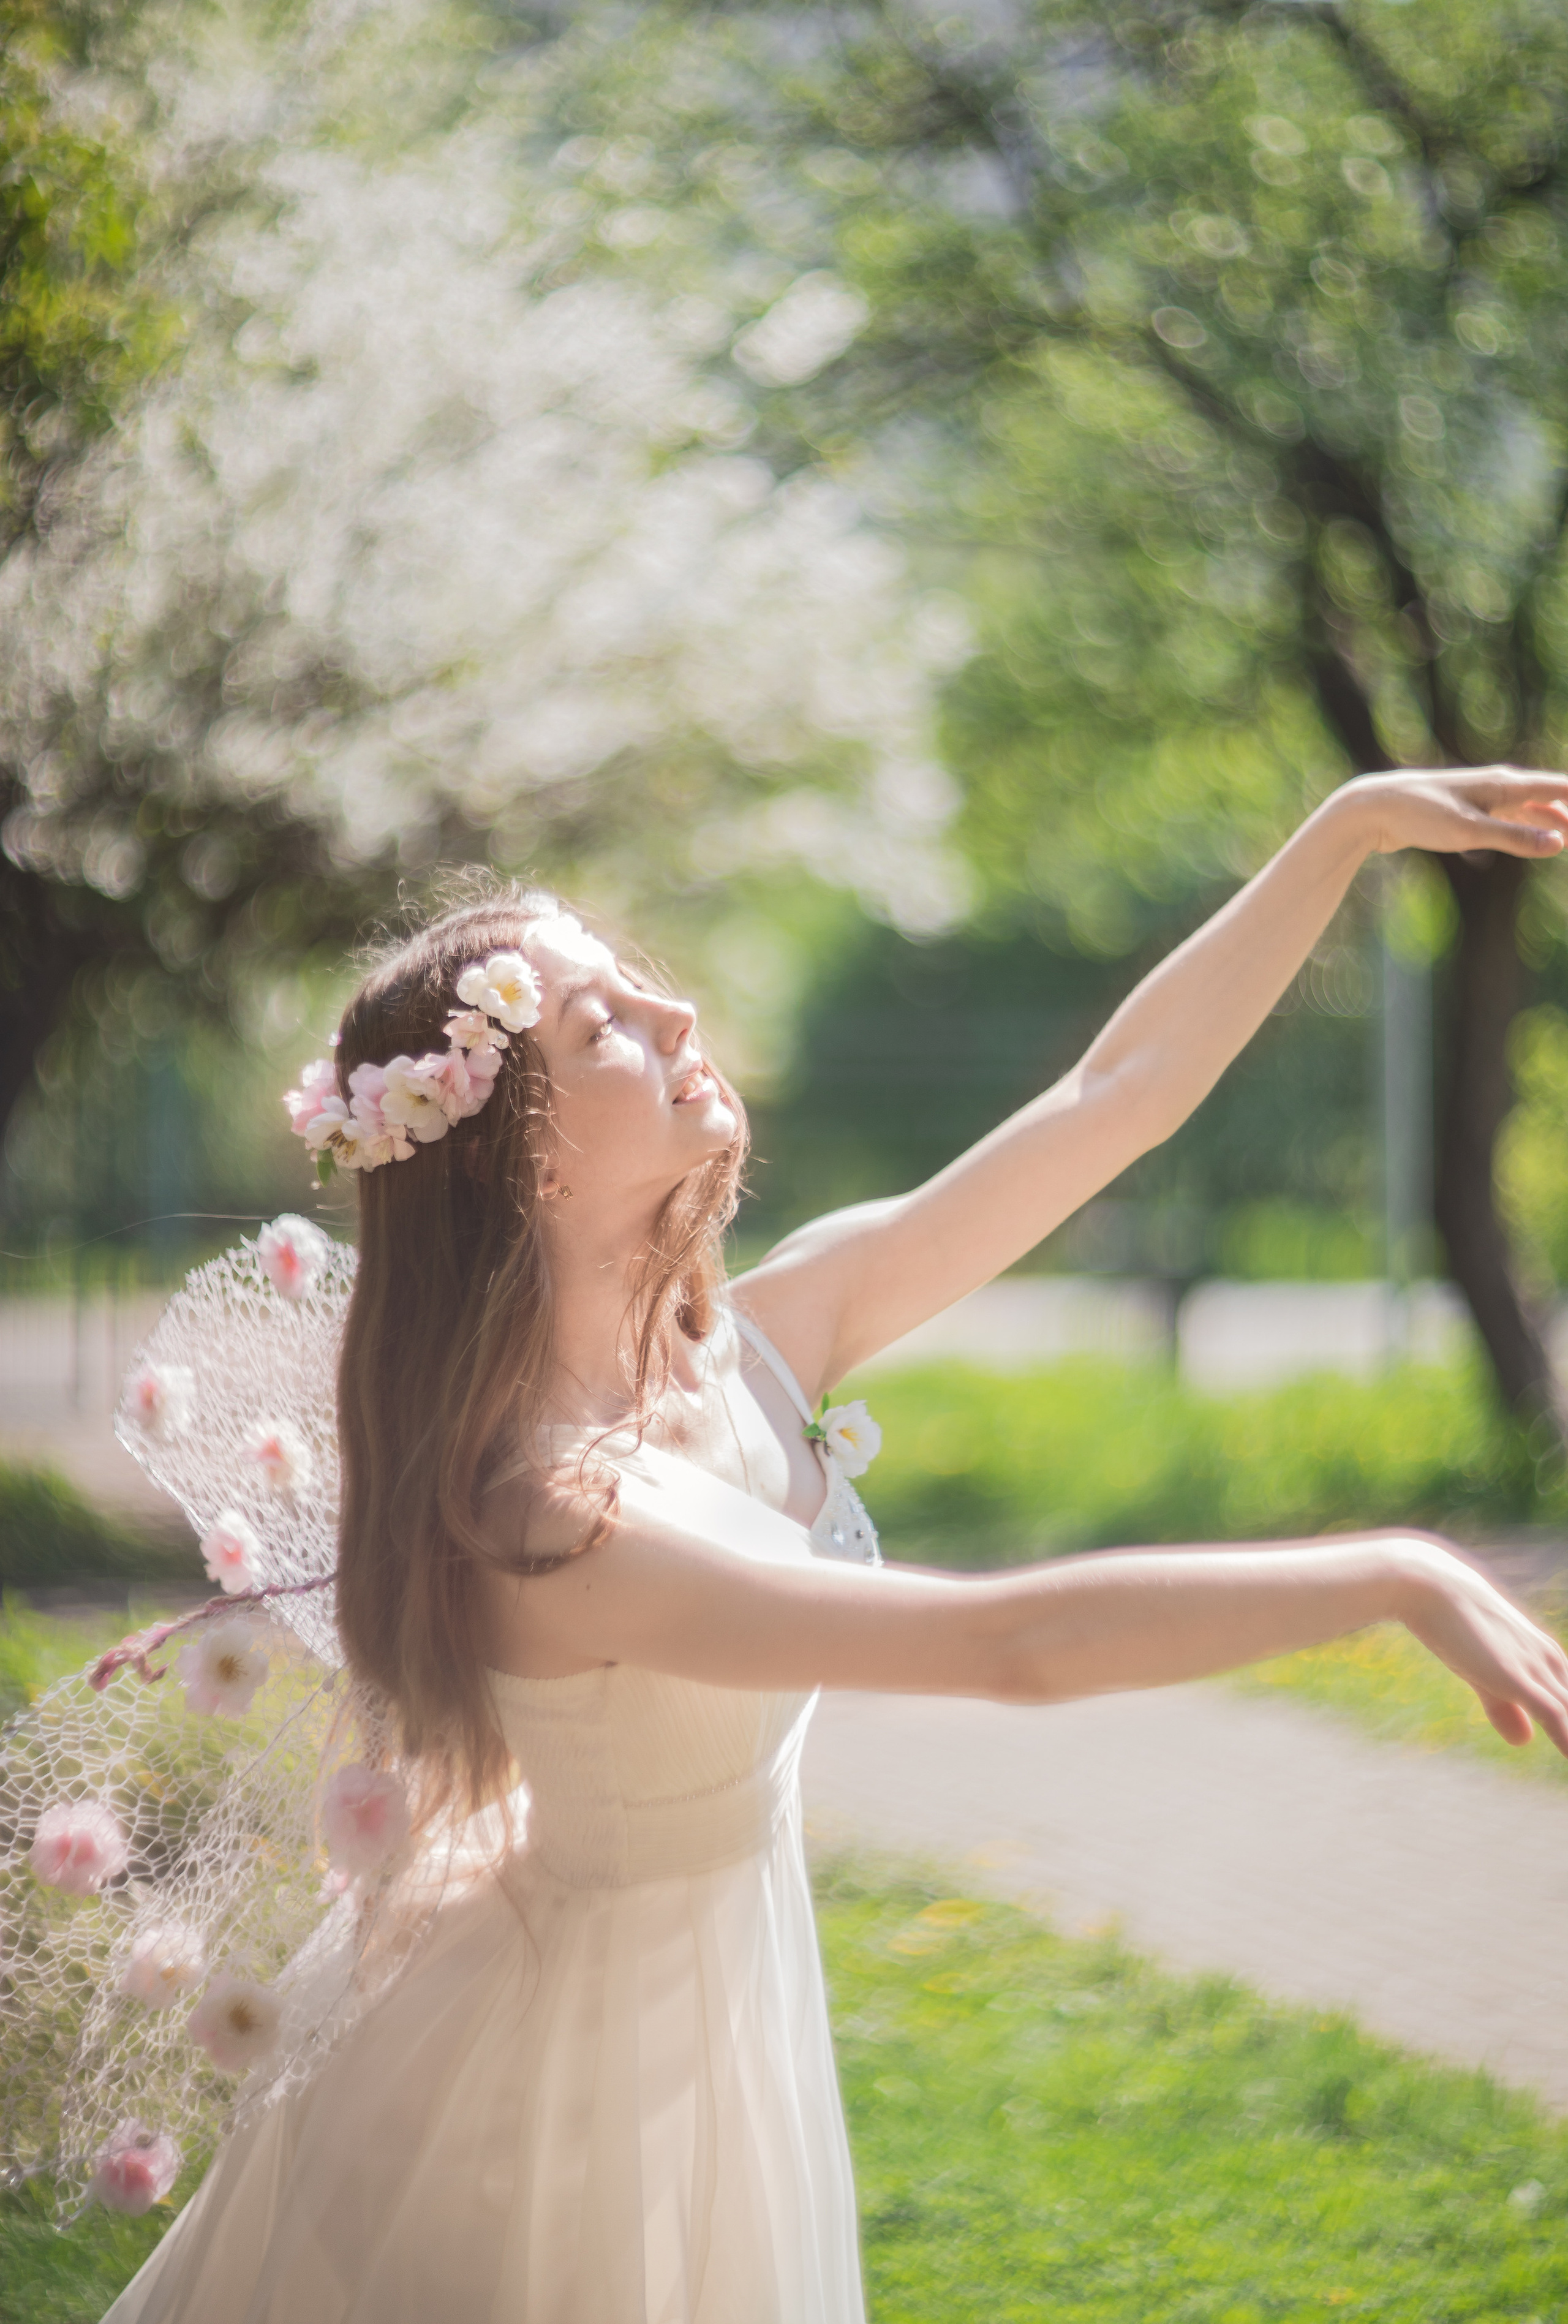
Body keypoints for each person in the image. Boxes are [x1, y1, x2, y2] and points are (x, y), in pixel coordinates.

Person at [101, 764, 1568, 2323]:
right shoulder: (546, 1518)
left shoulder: (743, 1350)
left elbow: (1114, 1095)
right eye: (602, 1027)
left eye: (635, 985)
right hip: (560, 2095)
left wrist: (1347, 826)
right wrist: (1390, 1573)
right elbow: (1007, 1648)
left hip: (713, 1997)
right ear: (528, 1161)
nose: (674, 1013)